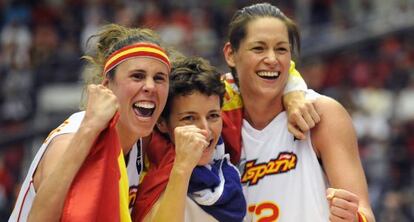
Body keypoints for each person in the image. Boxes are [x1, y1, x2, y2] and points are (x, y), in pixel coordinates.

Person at [222, 3, 375, 222]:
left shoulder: (322, 114)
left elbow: (364, 213)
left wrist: (354, 218)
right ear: (230, 54)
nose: (272, 59)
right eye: (259, 48)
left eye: (281, 49)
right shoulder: (215, 120)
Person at [9, 23, 171, 222]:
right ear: (106, 86)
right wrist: (88, 130)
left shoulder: (139, 140)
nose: (150, 86)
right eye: (137, 76)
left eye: (159, 78)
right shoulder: (71, 140)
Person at [134, 57, 246, 222]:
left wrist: (294, 91)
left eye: (213, 116)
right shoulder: (151, 174)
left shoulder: (227, 164)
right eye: (189, 118)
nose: (205, 130)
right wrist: (182, 168)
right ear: (162, 123)